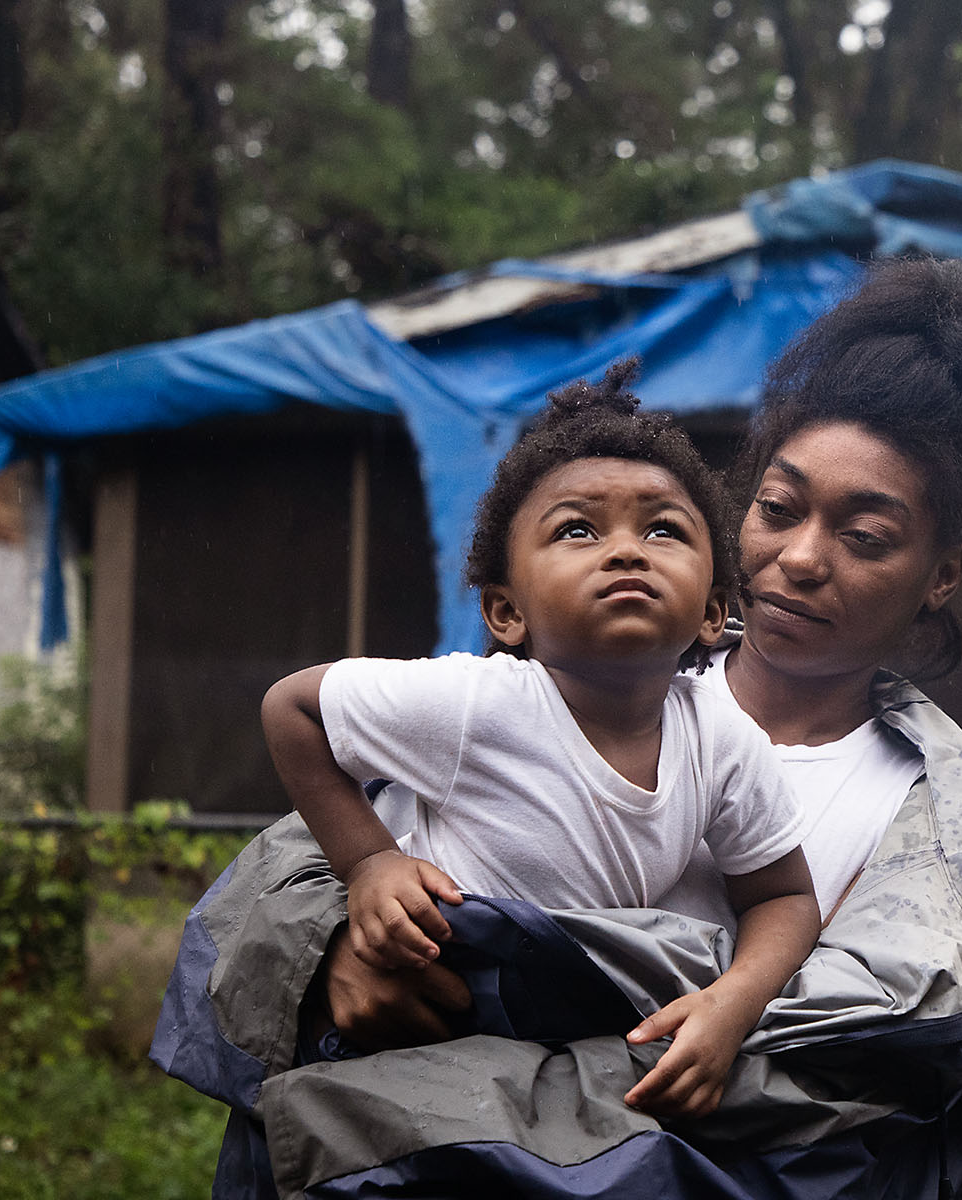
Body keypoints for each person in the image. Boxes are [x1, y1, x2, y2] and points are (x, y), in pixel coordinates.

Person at [153, 257, 962, 1199]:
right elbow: (304, 857)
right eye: (777, 508)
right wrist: (333, 949)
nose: (802, 558)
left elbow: (880, 1090)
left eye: (866, 536)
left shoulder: (938, 829)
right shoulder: (563, 692)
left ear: (942, 572)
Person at [260, 362, 819, 1118]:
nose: (627, 551)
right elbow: (292, 708)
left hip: (579, 1047)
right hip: (427, 1025)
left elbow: (783, 896)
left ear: (713, 612)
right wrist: (369, 862)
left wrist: (733, 1004)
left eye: (663, 529)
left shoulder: (721, 739)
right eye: (577, 529)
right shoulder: (475, 705)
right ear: (505, 612)